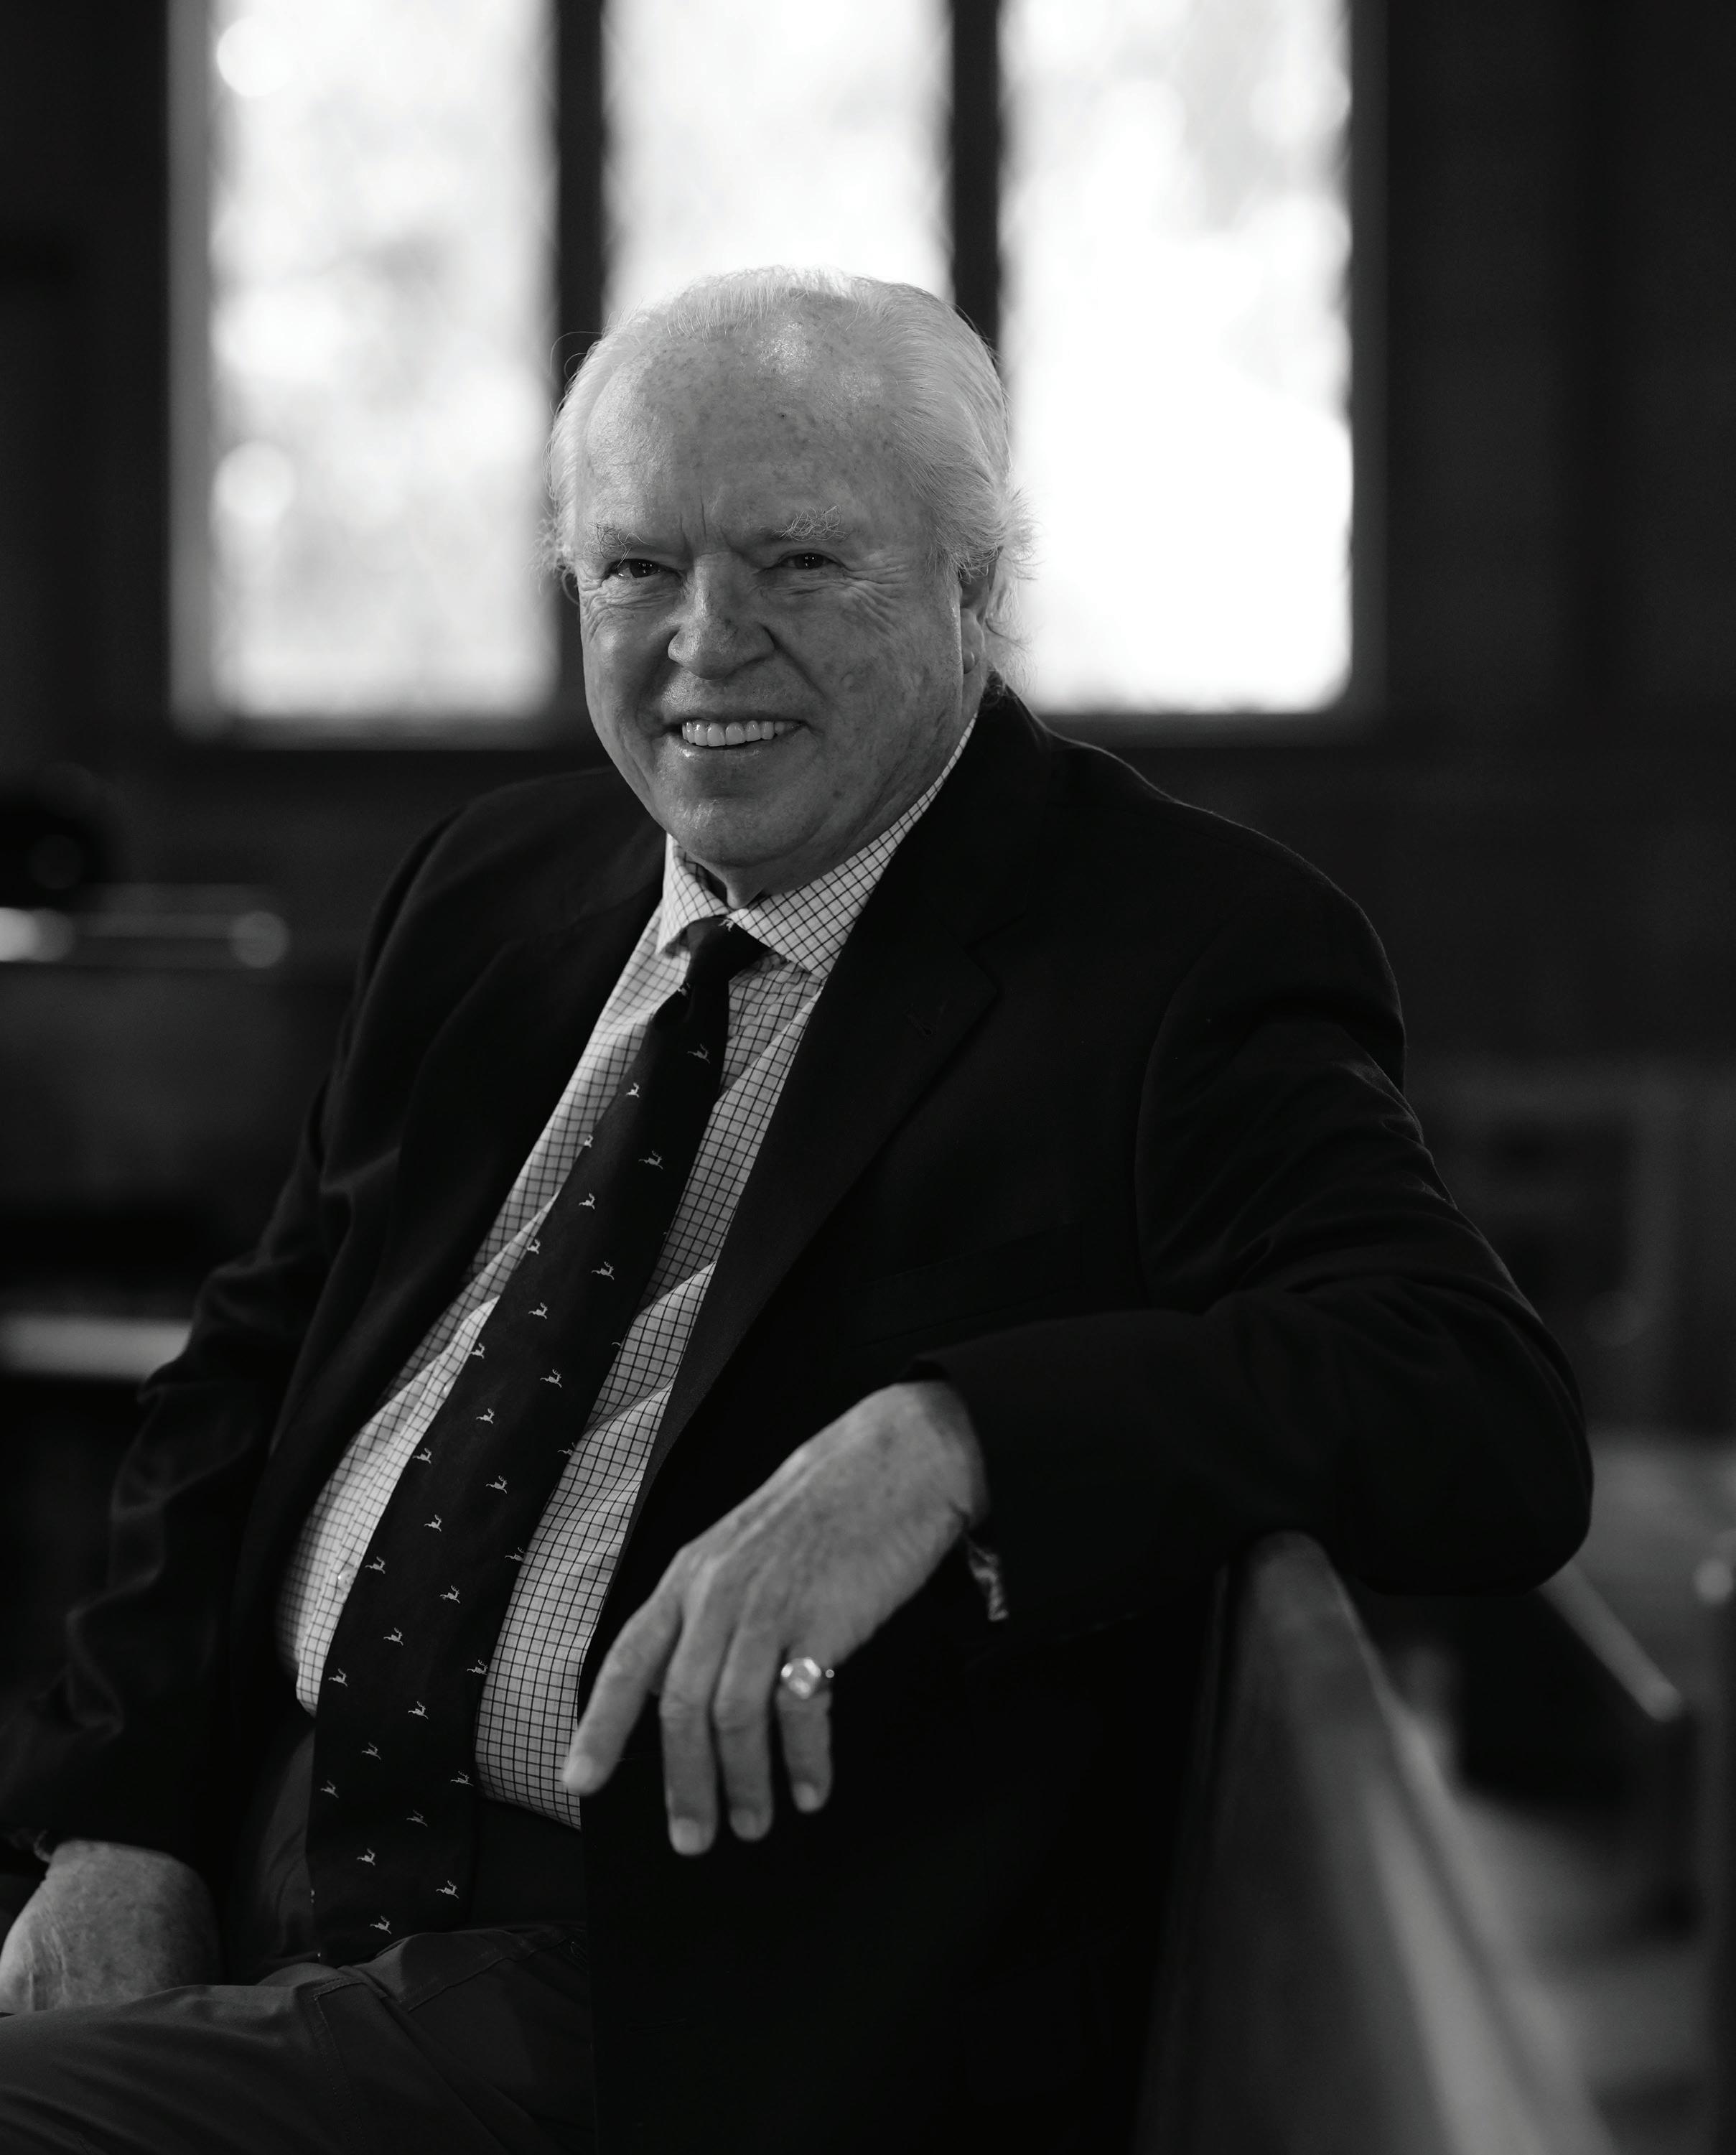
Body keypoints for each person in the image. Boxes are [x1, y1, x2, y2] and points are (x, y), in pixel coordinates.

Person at [0, 267, 1588, 2154]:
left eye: (800, 563)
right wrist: (116, 1818)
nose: (704, 640)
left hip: (662, 1985)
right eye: (633, 567)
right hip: (262, 1836)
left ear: (975, 583)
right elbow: (251, 1371)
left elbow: (1473, 1410)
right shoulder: (489, 890)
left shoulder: (1180, 952)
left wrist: (952, 1441)